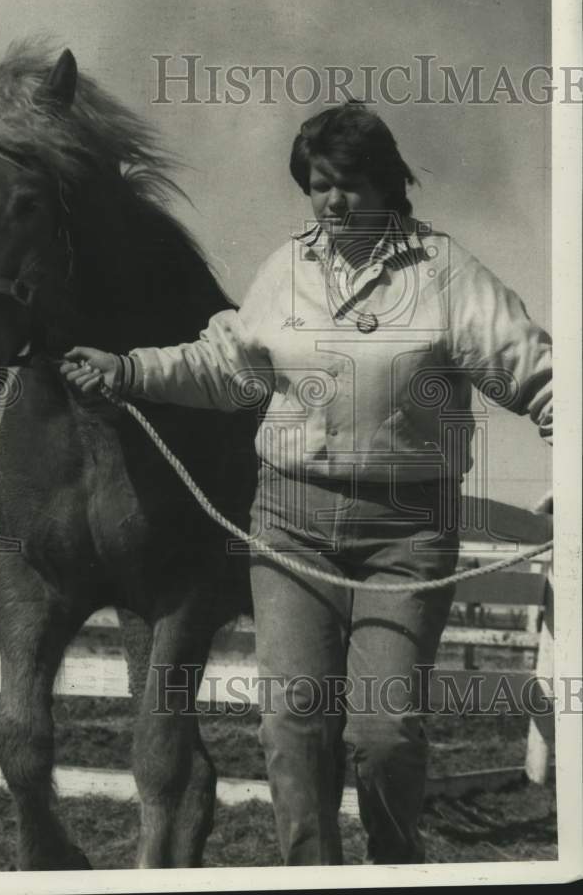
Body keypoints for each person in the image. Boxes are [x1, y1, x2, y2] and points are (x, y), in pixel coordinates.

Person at [60, 102, 553, 865]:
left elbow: (541, 376)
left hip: (408, 534)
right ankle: (311, 875)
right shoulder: (286, 269)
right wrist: (126, 370)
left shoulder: (447, 274)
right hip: (289, 526)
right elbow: (222, 367)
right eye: (319, 186)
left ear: (390, 184)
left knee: (384, 730)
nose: (334, 202)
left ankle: (395, 865)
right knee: (292, 721)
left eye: (351, 183)